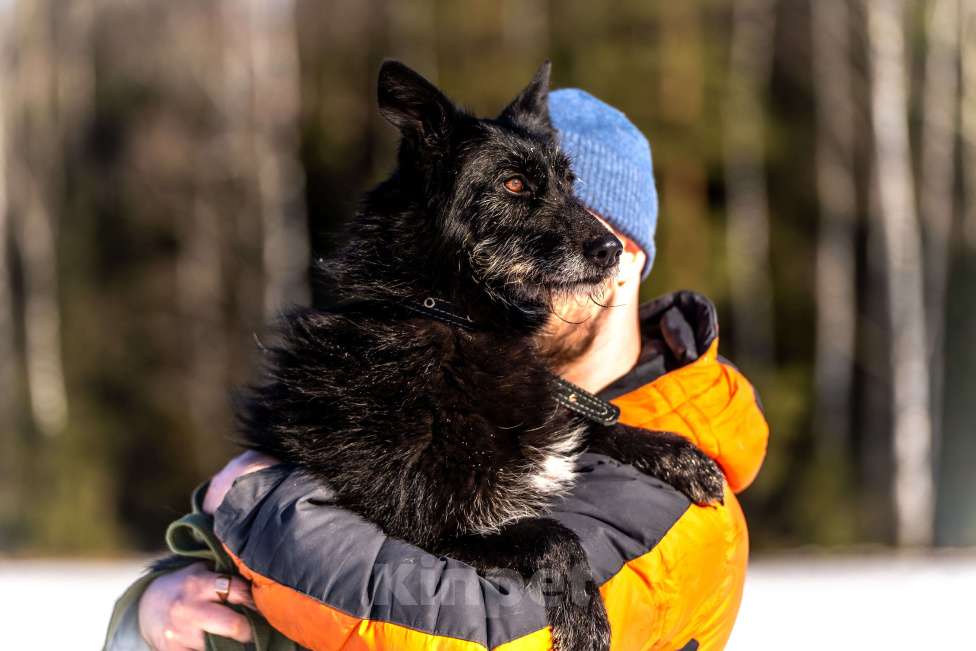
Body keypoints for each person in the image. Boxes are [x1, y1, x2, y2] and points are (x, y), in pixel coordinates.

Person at [105, 88, 768, 651]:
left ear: (622, 255)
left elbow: (476, 629)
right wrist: (154, 609)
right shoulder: (470, 393)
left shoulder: (677, 499)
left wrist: (260, 509)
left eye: (575, 229)